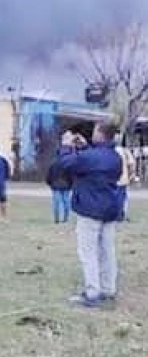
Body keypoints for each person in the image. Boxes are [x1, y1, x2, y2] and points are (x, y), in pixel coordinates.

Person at [56, 124, 123, 308]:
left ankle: (93, 292)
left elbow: (66, 164)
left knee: (88, 251)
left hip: (90, 208)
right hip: (109, 208)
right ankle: (109, 289)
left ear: (100, 135)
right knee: (107, 250)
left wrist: (66, 146)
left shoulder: (90, 157)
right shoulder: (115, 157)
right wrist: (85, 147)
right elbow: (93, 163)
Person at [46, 143, 74, 226]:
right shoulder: (69, 163)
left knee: (56, 203)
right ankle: (65, 219)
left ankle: (57, 219)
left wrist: (50, 183)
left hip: (55, 185)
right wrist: (71, 184)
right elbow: (71, 175)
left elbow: (49, 175)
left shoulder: (53, 163)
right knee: (66, 202)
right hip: (66, 185)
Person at [115, 138, 136, 222]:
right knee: (122, 198)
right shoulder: (124, 151)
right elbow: (132, 164)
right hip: (122, 179)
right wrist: (131, 174)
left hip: (110, 179)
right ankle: (120, 216)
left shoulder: (108, 150)